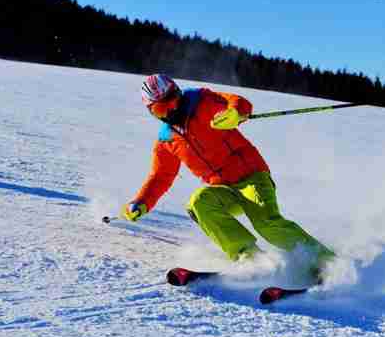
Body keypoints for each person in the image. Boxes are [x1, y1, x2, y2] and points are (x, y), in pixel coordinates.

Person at [121, 74, 334, 272]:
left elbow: (238, 103)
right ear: (152, 112)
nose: (170, 111)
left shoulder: (202, 102)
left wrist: (234, 113)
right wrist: (141, 202)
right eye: (160, 109)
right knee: (198, 203)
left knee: (266, 223)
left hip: (251, 177)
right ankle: (248, 257)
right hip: (222, 189)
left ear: (178, 94)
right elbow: (160, 176)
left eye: (172, 102)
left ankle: (325, 262)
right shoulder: (167, 139)